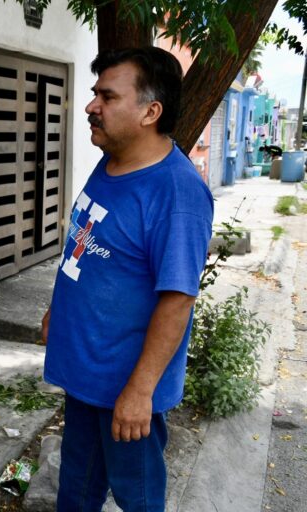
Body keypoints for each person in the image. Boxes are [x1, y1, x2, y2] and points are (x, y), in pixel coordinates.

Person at [41, 47, 213, 511]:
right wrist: (58, 310)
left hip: (126, 387)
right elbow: (91, 243)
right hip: (86, 375)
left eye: (107, 96)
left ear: (149, 112)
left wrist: (140, 392)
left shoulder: (176, 193)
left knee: (137, 499)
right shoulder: (112, 160)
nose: (91, 105)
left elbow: (178, 300)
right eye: (96, 93)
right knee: (75, 492)